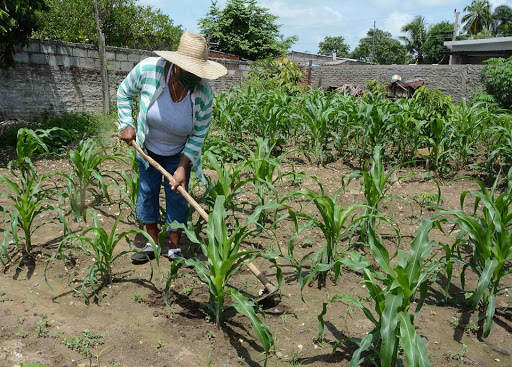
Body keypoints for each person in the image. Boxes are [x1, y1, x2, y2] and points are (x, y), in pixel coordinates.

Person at [117, 32, 227, 263]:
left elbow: (198, 134)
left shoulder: (204, 94)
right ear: (175, 65)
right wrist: (126, 123)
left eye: (198, 74)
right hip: (147, 148)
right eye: (189, 72)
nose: (193, 78)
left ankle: (175, 247)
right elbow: (124, 92)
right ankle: (152, 243)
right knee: (147, 193)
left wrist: (182, 167)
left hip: (179, 153)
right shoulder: (149, 70)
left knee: (177, 196)